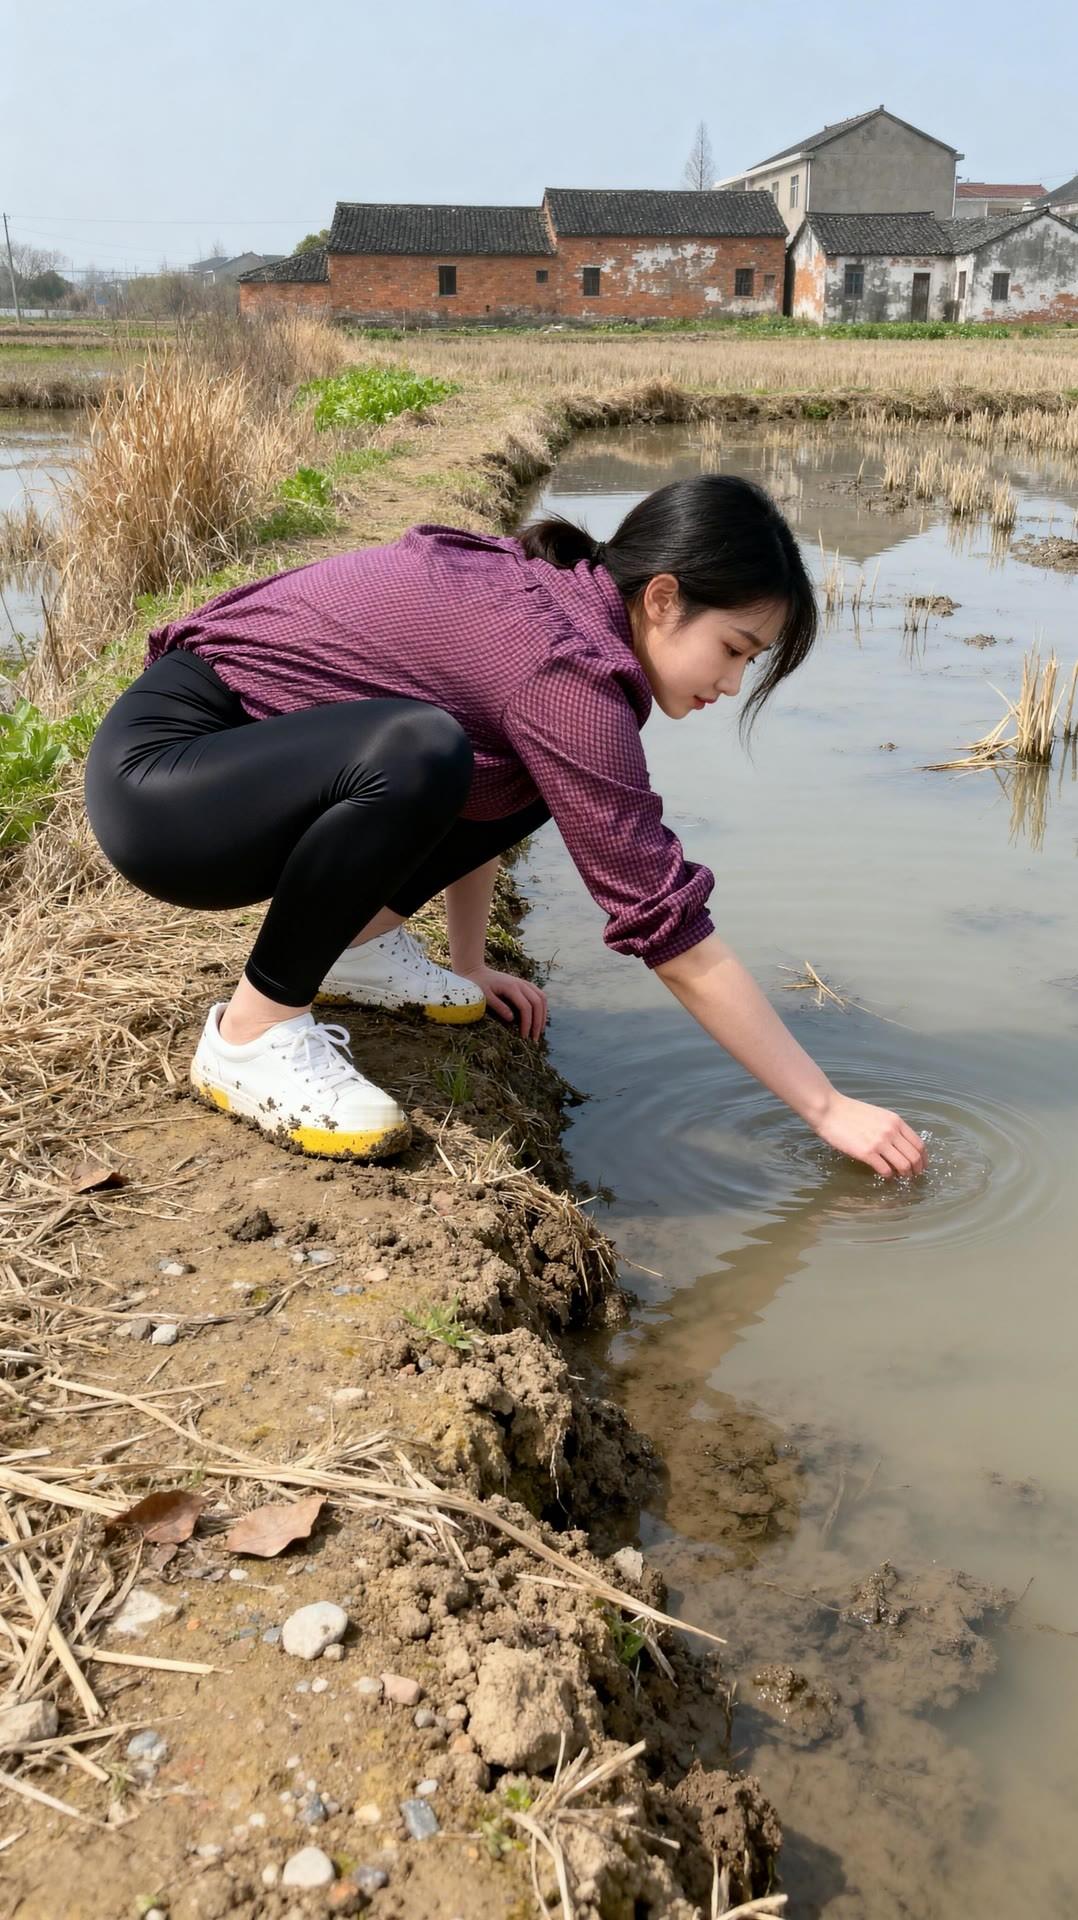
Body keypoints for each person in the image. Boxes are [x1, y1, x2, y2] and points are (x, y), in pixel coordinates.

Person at [84, 474, 926, 1179]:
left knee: (506, 766)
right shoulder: (566, 667)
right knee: (421, 750)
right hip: (167, 790)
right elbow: (667, 924)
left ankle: (359, 944)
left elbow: (489, 768)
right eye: (735, 649)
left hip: (235, 767)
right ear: (663, 599)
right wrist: (827, 1106)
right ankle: (249, 1035)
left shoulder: (568, 616)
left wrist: (470, 961)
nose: (733, 683)